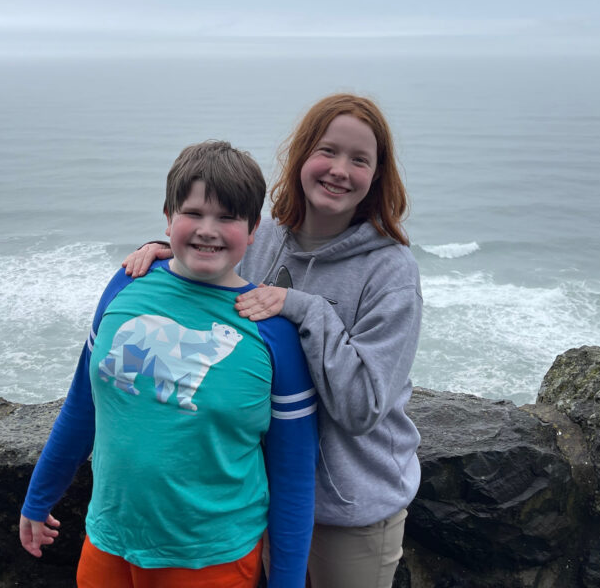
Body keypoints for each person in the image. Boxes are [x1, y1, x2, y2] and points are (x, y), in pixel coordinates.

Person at [124, 94, 422, 588]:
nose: (339, 170)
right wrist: (167, 255)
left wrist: (302, 306)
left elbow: (364, 406)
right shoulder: (262, 239)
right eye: (328, 151)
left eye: (359, 159)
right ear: (303, 155)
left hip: (347, 509)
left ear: (377, 175)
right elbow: (210, 290)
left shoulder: (390, 270)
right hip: (263, 493)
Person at [21, 141, 319, 588]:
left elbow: (294, 473)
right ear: (168, 215)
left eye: (228, 217)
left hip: (211, 560)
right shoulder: (126, 283)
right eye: (194, 213)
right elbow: (83, 406)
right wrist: (37, 499)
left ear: (254, 228)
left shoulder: (273, 332)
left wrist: (288, 581)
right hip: (108, 541)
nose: (208, 230)